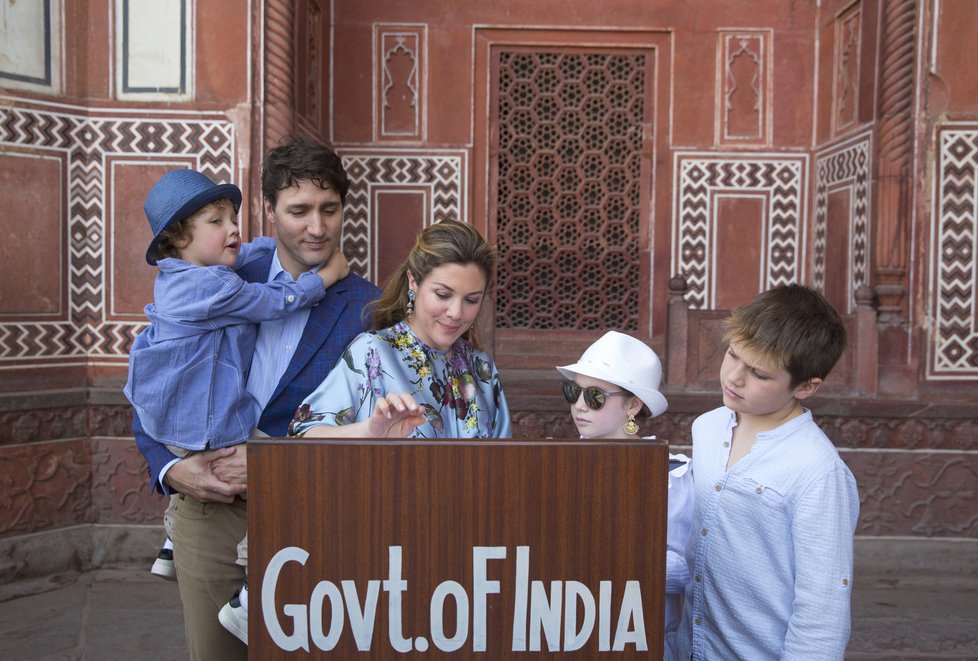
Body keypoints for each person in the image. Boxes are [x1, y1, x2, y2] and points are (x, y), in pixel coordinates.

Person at [132, 136, 381, 661]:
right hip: (210, 510)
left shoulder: (370, 308)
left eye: (329, 209)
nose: (316, 227)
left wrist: (273, 462)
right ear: (269, 210)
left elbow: (381, 434)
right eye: (298, 210)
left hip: (314, 515)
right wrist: (168, 470)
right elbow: (153, 383)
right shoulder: (212, 278)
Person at [125, 168, 349, 583]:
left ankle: (172, 539)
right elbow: (278, 300)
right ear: (177, 239)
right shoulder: (215, 289)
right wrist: (326, 277)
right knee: (267, 455)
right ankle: (251, 562)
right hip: (207, 422)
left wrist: (275, 247)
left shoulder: (184, 273)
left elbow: (245, 256)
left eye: (233, 218)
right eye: (217, 222)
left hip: (175, 416)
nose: (233, 229)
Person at [668, 284, 859, 660]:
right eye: (732, 355)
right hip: (690, 647)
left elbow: (822, 606)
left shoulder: (817, 471)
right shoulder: (708, 428)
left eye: (758, 373)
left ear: (806, 386)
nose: (734, 378)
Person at [289, 218, 511, 440]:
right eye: (443, 295)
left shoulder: (482, 369)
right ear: (413, 282)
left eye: (471, 300)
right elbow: (301, 435)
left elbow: (505, 463)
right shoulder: (371, 353)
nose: (456, 312)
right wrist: (368, 431)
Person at [555, 330, 693, 639]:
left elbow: (686, 570)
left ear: (632, 405)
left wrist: (612, 550)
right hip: (569, 627)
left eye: (594, 397)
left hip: (637, 632)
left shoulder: (671, 476)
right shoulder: (558, 464)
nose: (579, 405)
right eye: (572, 392)